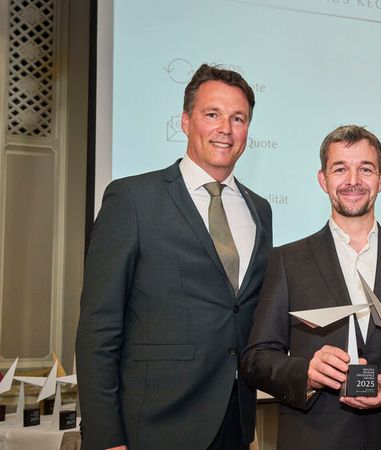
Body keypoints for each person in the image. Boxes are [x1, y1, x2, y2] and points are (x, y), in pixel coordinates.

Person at [75, 64, 273, 450]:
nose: (226, 129)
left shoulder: (260, 209)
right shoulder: (132, 199)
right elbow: (98, 328)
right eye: (212, 114)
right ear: (185, 121)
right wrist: (105, 436)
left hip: (236, 421)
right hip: (154, 425)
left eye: (239, 118)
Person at [241, 125, 381, 450]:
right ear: (322, 179)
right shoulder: (287, 260)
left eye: (365, 168)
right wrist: (307, 373)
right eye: (340, 168)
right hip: (313, 439)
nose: (353, 180)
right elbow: (256, 358)